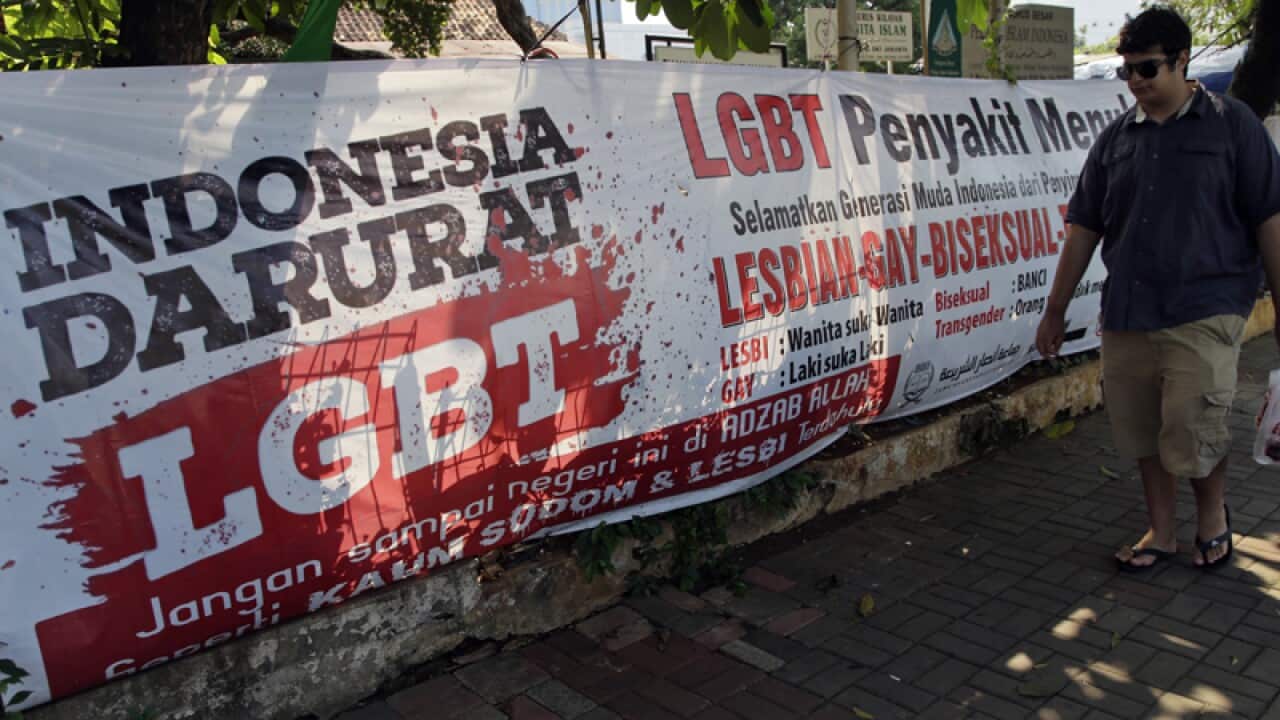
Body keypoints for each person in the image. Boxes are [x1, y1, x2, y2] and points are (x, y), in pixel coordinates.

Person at [1035, 5, 1280, 572]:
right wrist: (1055, 309)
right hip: (1128, 311)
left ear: (1182, 60)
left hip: (1206, 307)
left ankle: (1213, 519)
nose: (1136, 82)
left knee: (1193, 426)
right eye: (1127, 72)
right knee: (1142, 432)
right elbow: (1084, 226)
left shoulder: (1232, 124)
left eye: (1147, 69)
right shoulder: (1116, 138)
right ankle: (1162, 531)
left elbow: (1270, 218)